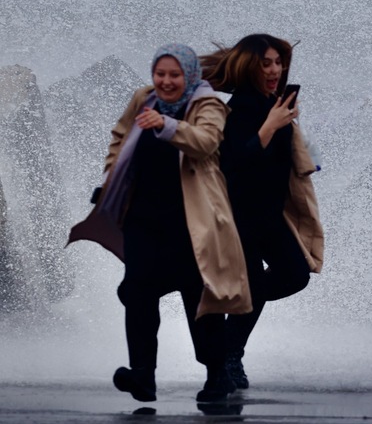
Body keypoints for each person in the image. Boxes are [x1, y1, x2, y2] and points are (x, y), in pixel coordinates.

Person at [68, 43, 252, 403]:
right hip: (143, 217)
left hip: (192, 220)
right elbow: (121, 137)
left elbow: (206, 142)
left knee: (198, 297)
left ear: (189, 75)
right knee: (137, 291)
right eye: (159, 74)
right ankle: (142, 375)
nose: (165, 81)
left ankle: (217, 374)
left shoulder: (208, 104)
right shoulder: (144, 98)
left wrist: (167, 125)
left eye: (174, 75)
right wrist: (111, 176)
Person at [200, 34, 324, 389]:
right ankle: (229, 356)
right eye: (265, 63)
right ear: (249, 67)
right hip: (238, 216)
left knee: (295, 274)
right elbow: (233, 164)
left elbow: (286, 160)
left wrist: (300, 144)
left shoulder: (275, 105)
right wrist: (270, 126)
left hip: (269, 216)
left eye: (278, 63)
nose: (274, 70)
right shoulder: (239, 109)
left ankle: (226, 340)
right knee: (253, 286)